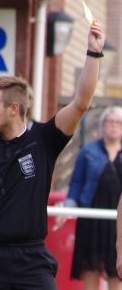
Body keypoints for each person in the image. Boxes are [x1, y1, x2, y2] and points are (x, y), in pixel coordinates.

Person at [0, 22, 105, 290]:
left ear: (13, 108)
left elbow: (81, 102)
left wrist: (93, 53)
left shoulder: (44, 140)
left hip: (32, 261)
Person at [64, 106, 122, 290]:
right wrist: (69, 205)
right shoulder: (88, 150)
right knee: (91, 266)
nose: (113, 126)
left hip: (118, 219)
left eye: (118, 122)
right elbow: (76, 182)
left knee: (117, 269)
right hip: (92, 216)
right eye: (109, 121)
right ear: (102, 125)